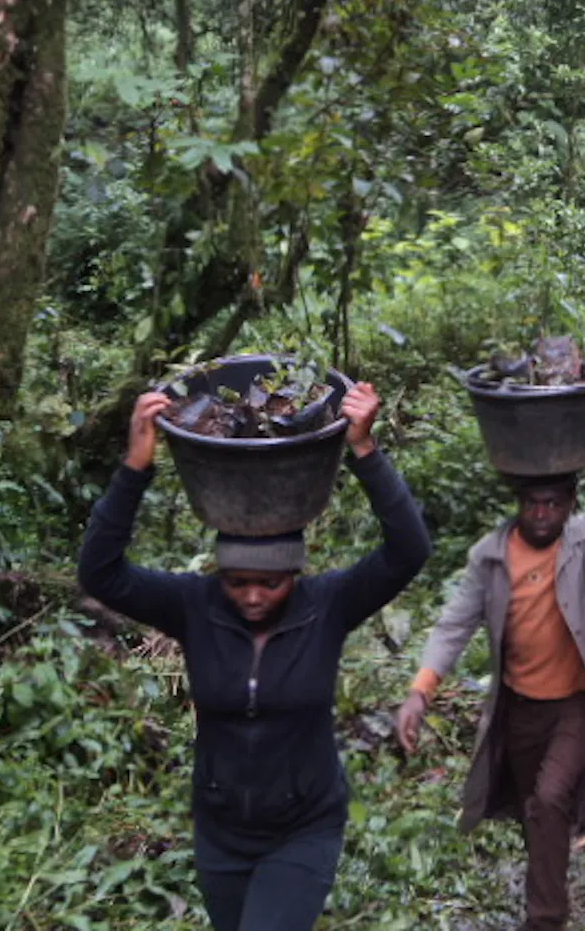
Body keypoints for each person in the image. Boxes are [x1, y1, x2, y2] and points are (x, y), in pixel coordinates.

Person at [79, 384, 431, 931]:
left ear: (295, 574)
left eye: (270, 584)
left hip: (304, 827)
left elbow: (409, 550)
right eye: (237, 581)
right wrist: (135, 466)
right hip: (221, 831)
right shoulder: (194, 605)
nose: (251, 597)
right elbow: (100, 574)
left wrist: (365, 449)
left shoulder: (329, 605)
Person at [394, 376, 585, 931]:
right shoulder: (491, 557)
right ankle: (550, 883)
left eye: (553, 503)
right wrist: (421, 690)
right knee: (532, 808)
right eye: (532, 503)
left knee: (548, 797)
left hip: (576, 705)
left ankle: (545, 918)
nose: (542, 514)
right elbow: (454, 624)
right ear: (518, 503)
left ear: (571, 504)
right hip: (519, 707)